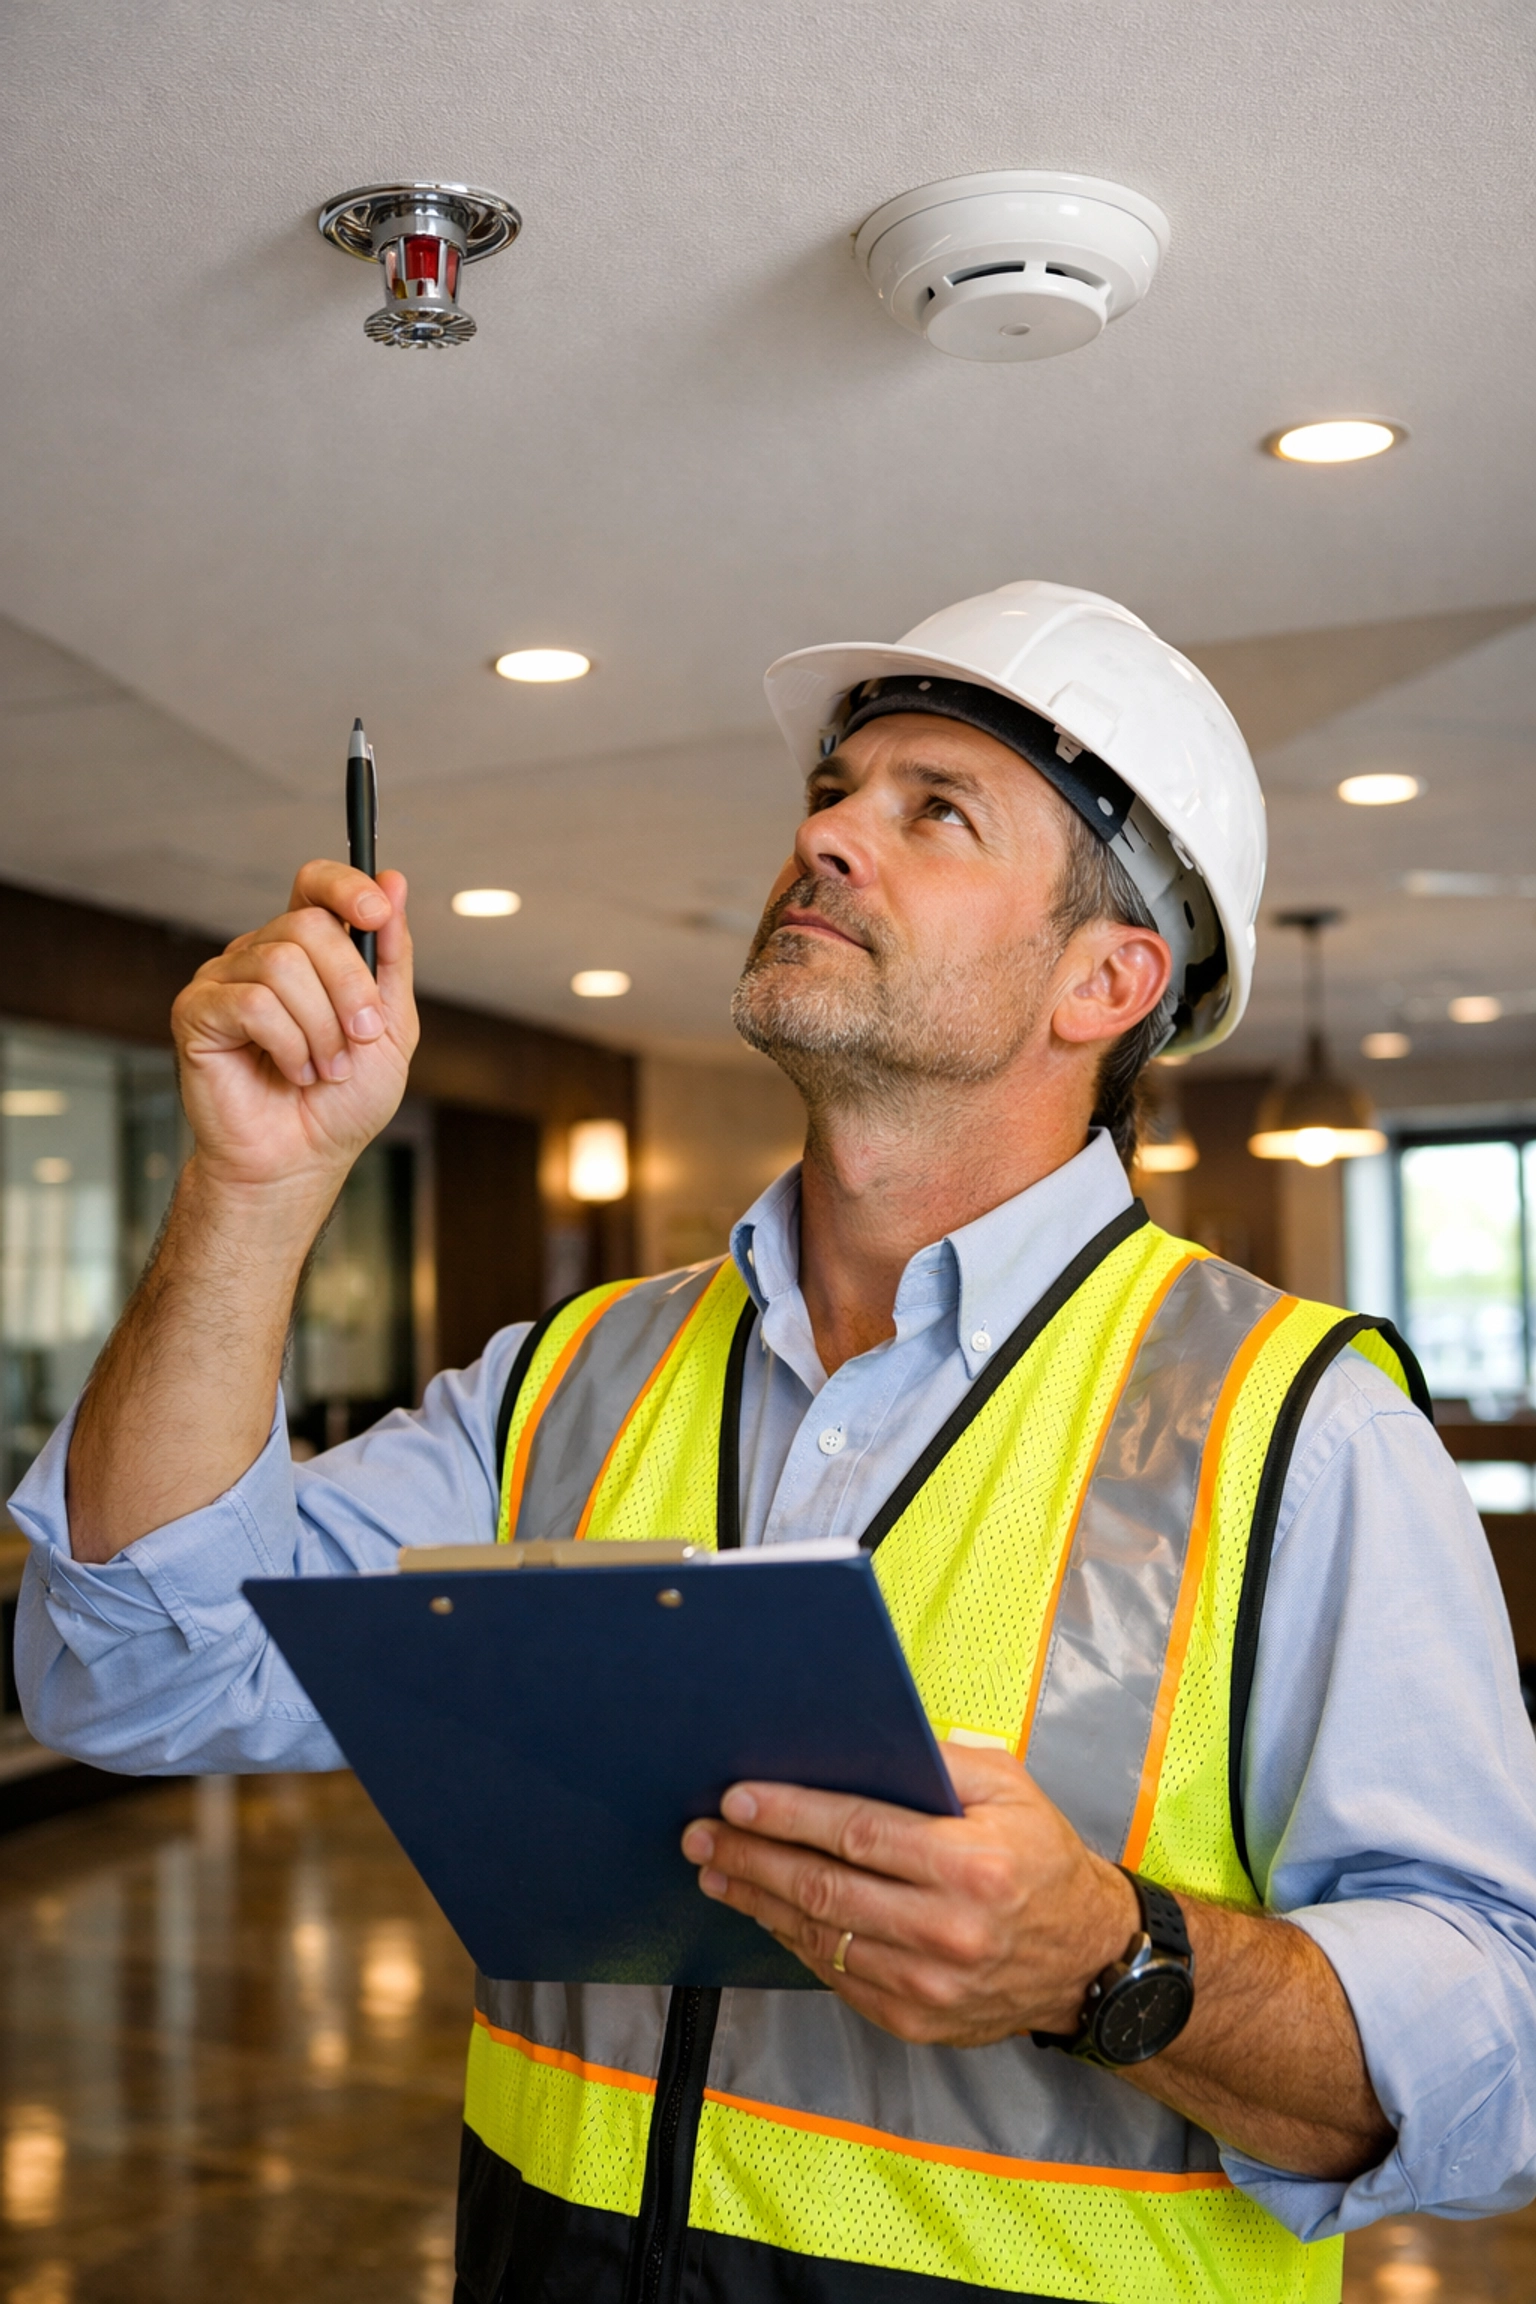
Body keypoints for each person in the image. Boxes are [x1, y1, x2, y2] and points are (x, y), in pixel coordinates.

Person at [13, 579, 1536, 2304]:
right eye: (831, 793)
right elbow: (130, 1673)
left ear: (1108, 979)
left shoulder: (1302, 1431)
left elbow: (1502, 2048)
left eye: (930, 809)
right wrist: (250, 1192)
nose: (825, 839)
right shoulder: (566, 1380)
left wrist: (1112, 1961)